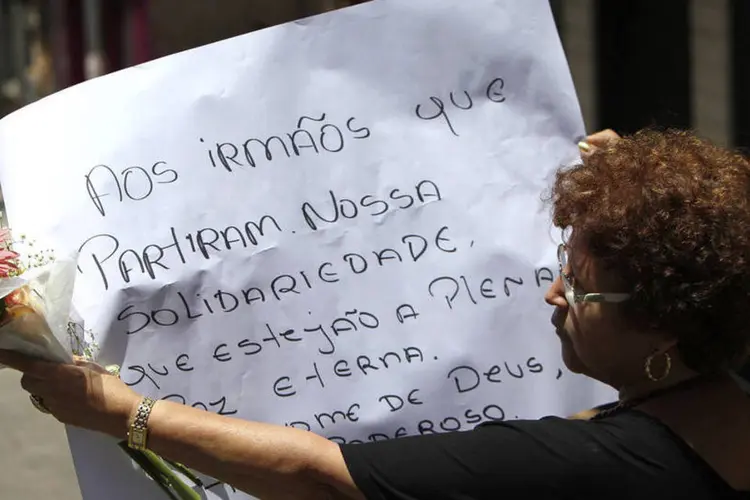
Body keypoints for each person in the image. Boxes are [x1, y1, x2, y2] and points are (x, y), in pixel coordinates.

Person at [2, 127, 750, 499]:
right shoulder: (717, 397)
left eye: (582, 287)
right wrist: (634, 190)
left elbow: (322, 476)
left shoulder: (597, 466)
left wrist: (125, 413)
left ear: (664, 326)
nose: (554, 294)